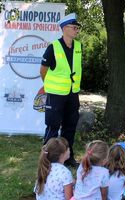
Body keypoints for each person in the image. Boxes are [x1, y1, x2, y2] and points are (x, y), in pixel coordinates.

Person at [40, 13, 82, 167]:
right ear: (64, 28)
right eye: (74, 27)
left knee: (70, 126)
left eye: (77, 27)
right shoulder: (53, 47)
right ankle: (47, 160)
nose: (76, 30)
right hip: (56, 94)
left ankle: (68, 158)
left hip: (72, 94)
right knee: (53, 126)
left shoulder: (78, 46)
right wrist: (50, 86)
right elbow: (43, 70)